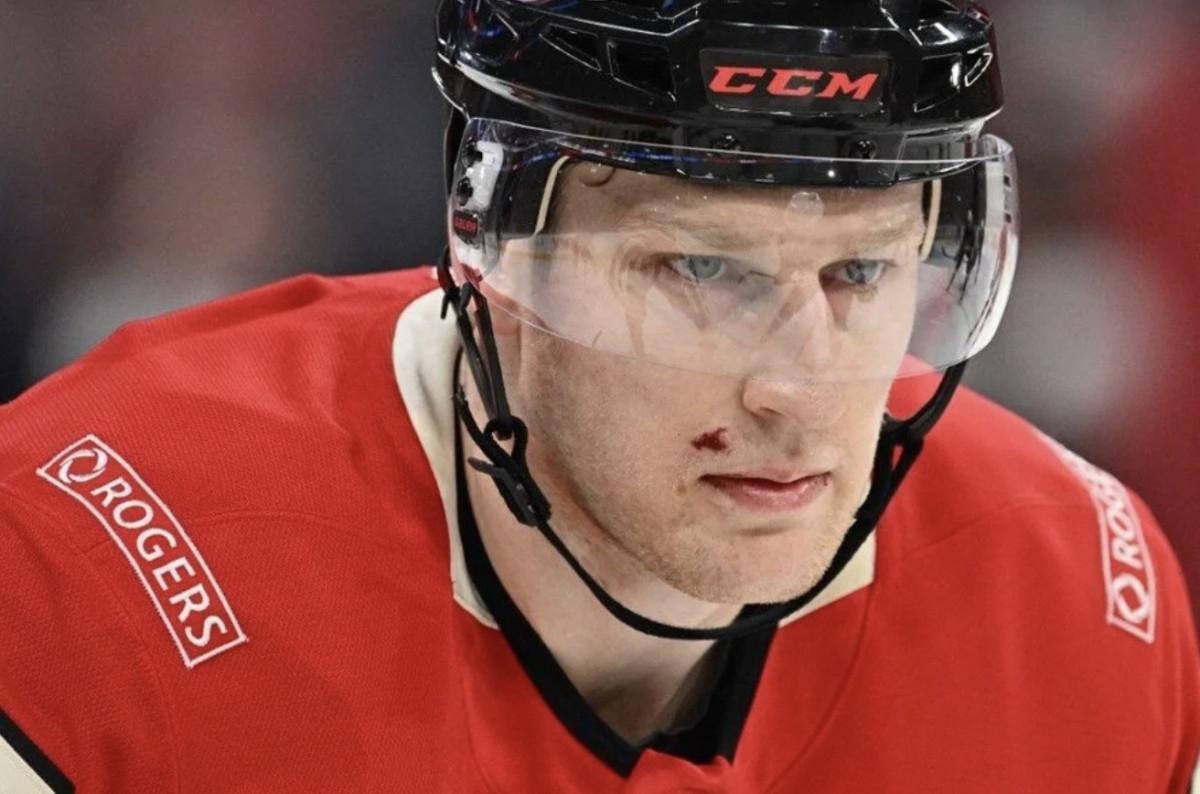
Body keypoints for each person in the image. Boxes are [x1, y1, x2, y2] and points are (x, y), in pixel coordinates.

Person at [0, 1, 1196, 791]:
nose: (797, 387)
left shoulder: (1077, 603)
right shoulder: (91, 581)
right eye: (703, 270)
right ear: (494, 245)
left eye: (863, 272)